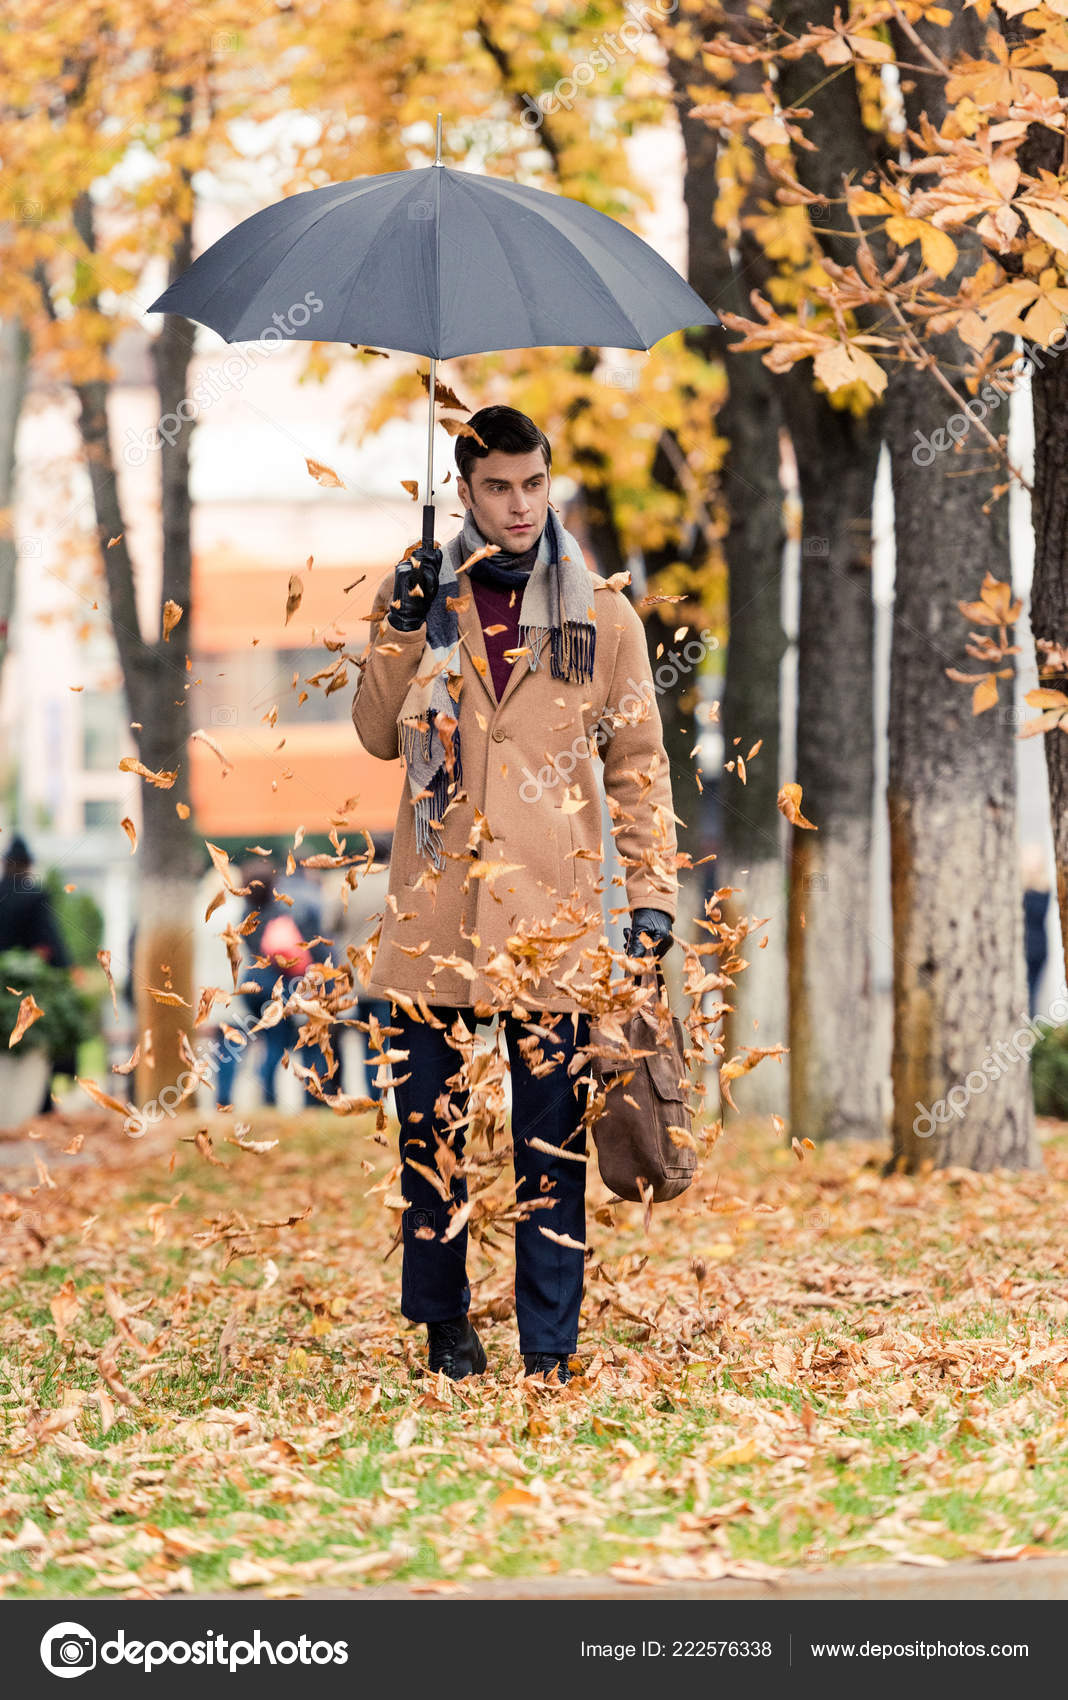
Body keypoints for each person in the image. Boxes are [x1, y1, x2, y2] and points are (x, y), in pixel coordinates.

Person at [351, 405, 677, 1384]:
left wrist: (651, 890)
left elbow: (640, 765)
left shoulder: (602, 614)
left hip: (553, 919)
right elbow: (375, 733)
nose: (521, 503)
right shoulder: (416, 594)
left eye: (534, 483)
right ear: (464, 489)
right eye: (499, 486)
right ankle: (444, 1326)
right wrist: (404, 627)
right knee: (430, 1127)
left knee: (550, 1139)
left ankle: (550, 1342)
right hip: (436, 913)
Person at [239, 862, 334, 1107]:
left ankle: (266, 1094)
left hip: (251, 985)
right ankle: (269, 1095)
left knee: (268, 1040)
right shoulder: (281, 912)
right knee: (277, 1042)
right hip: (277, 986)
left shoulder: (245, 915)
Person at [0, 834, 74, 1112]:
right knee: (33, 1045)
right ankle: (40, 1103)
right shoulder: (34, 895)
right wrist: (66, 971)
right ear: (27, 865)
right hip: (27, 986)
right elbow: (50, 943)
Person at [326, 831, 393, 1104]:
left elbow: (330, 923)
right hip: (386, 972)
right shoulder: (396, 882)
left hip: (354, 974)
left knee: (355, 1034)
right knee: (380, 1038)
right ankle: (377, 1093)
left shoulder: (349, 883)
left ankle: (361, 1093)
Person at [1021, 842, 1051, 1021]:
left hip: (1034, 950)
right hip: (1035, 947)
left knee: (1030, 993)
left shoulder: (1039, 887)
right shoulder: (1038, 885)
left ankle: (1027, 1029)